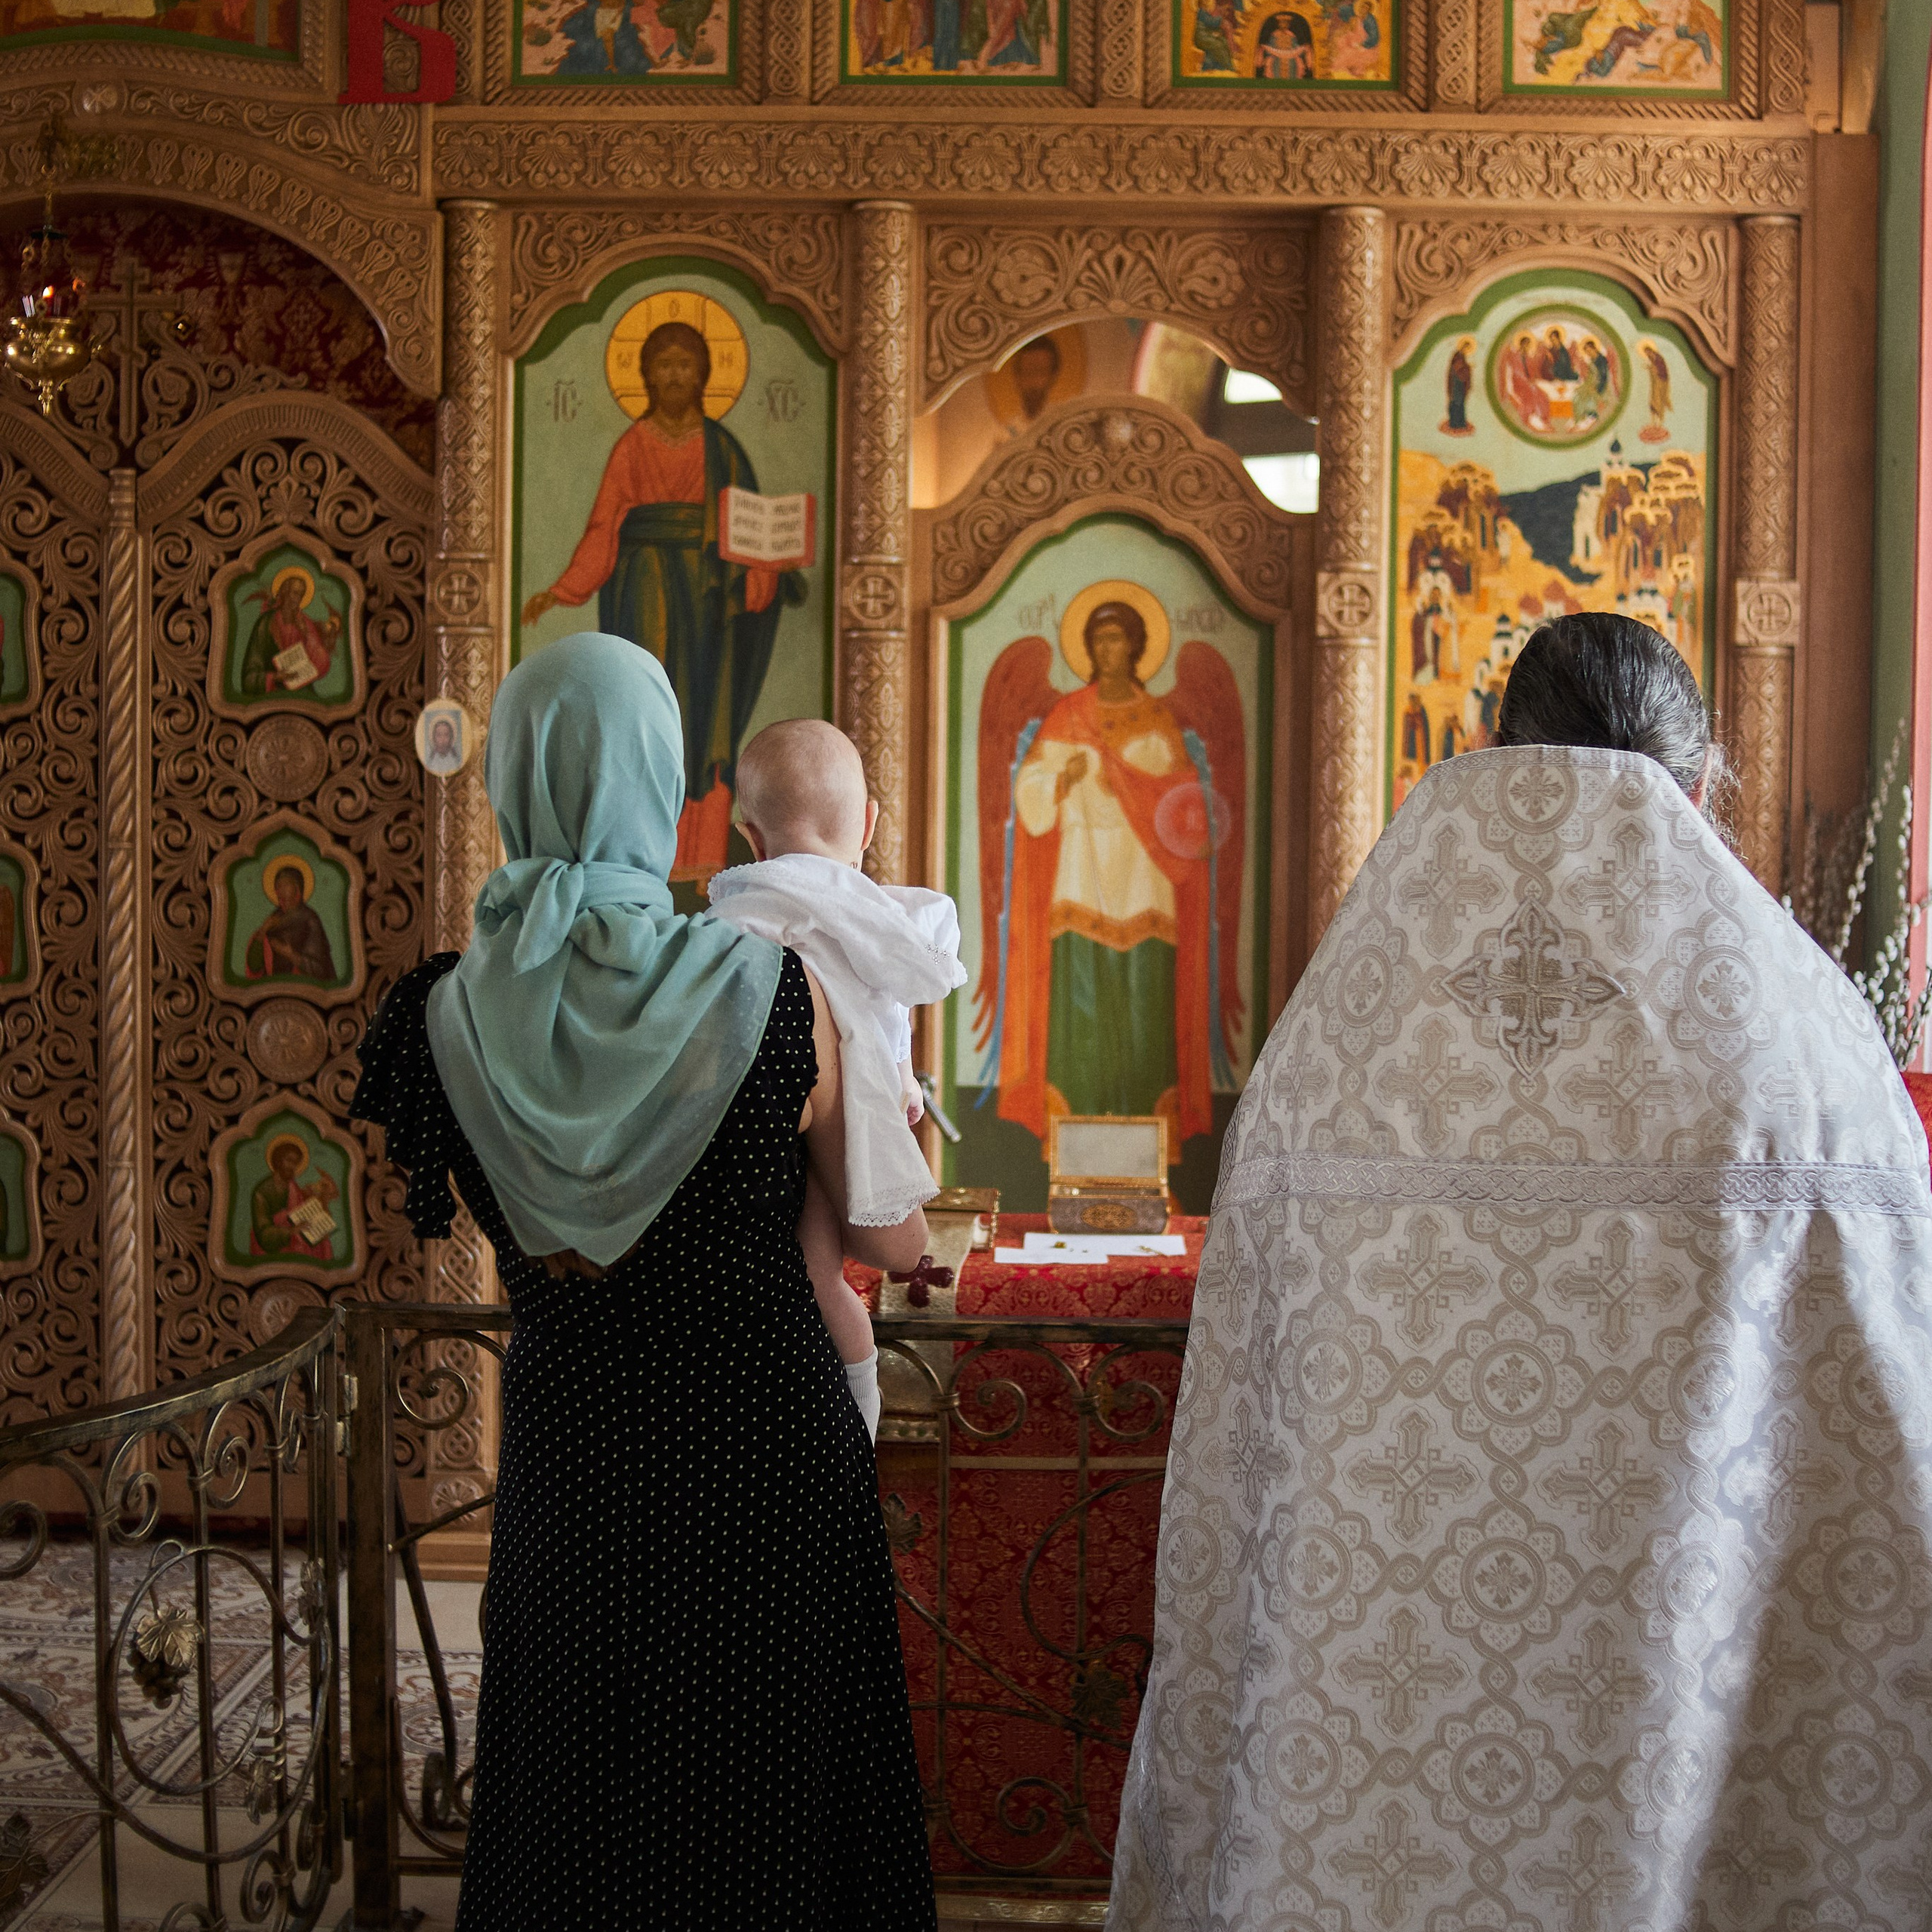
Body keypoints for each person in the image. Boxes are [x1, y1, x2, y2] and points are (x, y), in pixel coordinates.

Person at [1108, 611, 1932, 1931]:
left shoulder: (1347, 1035)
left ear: (1497, 751)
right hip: (1687, 1665)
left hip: (1371, 1688)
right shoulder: (1799, 1052)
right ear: (1704, 777)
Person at [350, 632, 936, 1929]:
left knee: (581, 1778)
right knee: (780, 1784)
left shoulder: (441, 1015)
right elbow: (879, 1220)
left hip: (576, 1454)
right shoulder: (771, 989)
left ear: (510, 784)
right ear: (666, 799)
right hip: (770, 1452)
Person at [706, 718, 966, 1438]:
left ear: (751, 837)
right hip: (860, 1091)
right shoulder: (886, 913)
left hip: (772, 1116)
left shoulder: (745, 909)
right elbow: (907, 981)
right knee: (830, 1279)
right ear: (870, 825)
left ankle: (855, 1404)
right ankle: (861, 1412)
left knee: (817, 1268)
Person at [519, 321, 804, 879]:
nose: (675, 375)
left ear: (703, 374)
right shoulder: (634, 445)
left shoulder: (721, 448)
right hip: (645, 596)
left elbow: (750, 528)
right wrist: (562, 591)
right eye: (664, 365)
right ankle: (645, 855)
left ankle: (699, 858)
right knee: (645, 718)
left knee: (706, 727)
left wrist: (763, 572)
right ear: (647, 375)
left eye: (685, 364)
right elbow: (605, 527)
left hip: (709, 605)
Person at [245, 862, 336, 980]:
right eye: (278, 886)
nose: (280, 891)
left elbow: (320, 969)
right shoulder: (273, 919)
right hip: (273, 989)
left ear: (298, 889)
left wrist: (290, 955)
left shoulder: (309, 919)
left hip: (303, 990)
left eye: (286, 885)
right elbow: (255, 966)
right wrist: (263, 931)